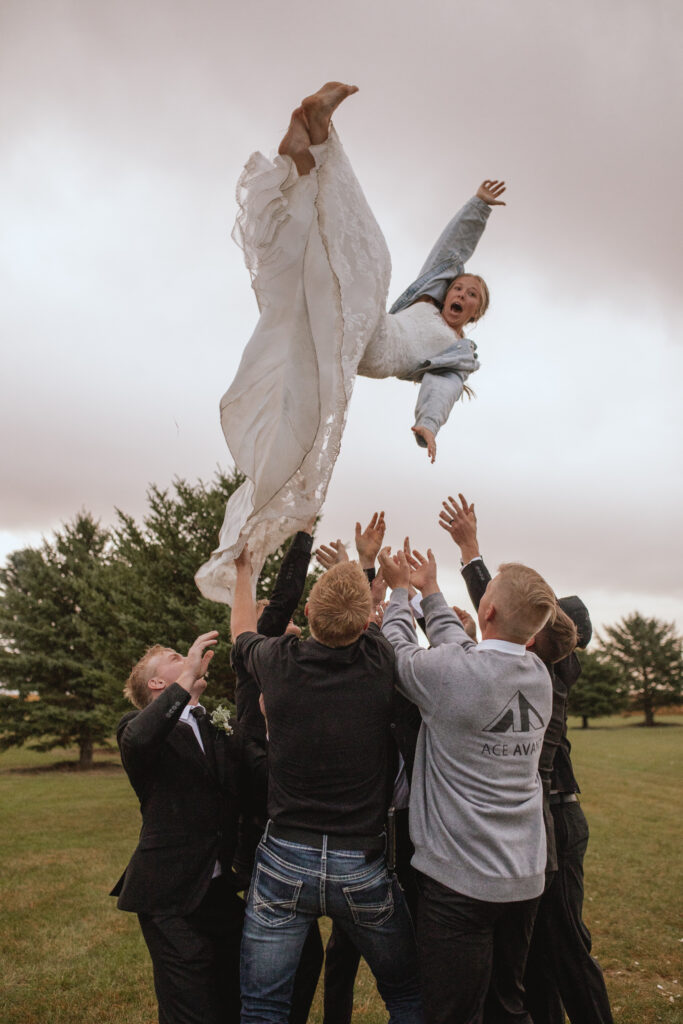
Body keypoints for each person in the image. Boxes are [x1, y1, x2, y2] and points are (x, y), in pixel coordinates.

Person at [195, 81, 505, 604]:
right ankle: (311, 146)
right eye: (459, 286)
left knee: (366, 266)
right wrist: (478, 205)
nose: (461, 292)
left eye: (470, 294)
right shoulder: (426, 299)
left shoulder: (455, 353)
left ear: (476, 311)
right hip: (358, 330)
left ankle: (314, 149)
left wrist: (427, 425)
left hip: (372, 348)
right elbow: (450, 250)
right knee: (336, 263)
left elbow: (443, 390)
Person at [439, 494, 614, 1023]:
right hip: (547, 819)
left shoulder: (546, 672)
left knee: (564, 948)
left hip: (555, 820)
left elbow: (499, 609)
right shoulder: (537, 670)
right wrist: (470, 549)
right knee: (535, 956)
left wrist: (471, 550)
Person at [231, 547, 424, 1024]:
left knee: (263, 1006)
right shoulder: (381, 659)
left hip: (282, 857)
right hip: (360, 864)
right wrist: (387, 584)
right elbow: (382, 622)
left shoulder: (276, 660)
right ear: (364, 625)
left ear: (310, 613)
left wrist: (242, 573)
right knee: (406, 994)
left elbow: (241, 634)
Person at [379, 543, 556, 1024]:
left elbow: (396, 647)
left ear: (487, 608)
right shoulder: (537, 674)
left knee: (453, 1014)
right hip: (523, 877)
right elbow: (460, 648)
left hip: (461, 883)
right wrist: (432, 590)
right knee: (507, 1006)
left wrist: (399, 591)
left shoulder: (451, 675)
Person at [111, 631, 262, 1024]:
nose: (189, 657)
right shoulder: (135, 730)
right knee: (189, 1006)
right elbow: (143, 738)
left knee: (235, 993)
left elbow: (248, 794)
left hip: (217, 888)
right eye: (177, 657)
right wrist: (187, 676)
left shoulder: (214, 724)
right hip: (167, 893)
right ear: (157, 683)